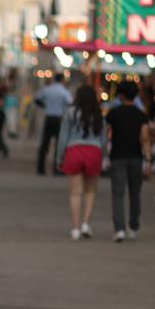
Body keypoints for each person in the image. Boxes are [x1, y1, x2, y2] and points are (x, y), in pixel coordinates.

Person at [55, 84, 105, 241]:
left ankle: (75, 228)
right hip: (94, 151)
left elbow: (63, 137)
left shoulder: (70, 113)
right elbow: (103, 140)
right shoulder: (98, 114)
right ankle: (86, 224)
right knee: (90, 191)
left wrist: (59, 157)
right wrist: (103, 155)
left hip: (74, 150)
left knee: (75, 193)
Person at [105, 80, 152, 242]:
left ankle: (119, 229)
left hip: (117, 156)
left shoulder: (113, 113)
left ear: (120, 95)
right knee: (135, 193)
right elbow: (145, 138)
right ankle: (133, 225)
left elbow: (107, 134)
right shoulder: (141, 115)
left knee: (118, 193)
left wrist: (105, 153)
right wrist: (148, 159)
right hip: (136, 158)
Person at [35, 74, 73, 175]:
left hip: (49, 118)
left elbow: (37, 99)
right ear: (62, 80)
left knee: (45, 143)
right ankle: (56, 168)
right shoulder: (64, 91)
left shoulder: (47, 89)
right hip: (59, 119)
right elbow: (70, 103)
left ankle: (40, 167)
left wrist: (45, 106)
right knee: (59, 144)